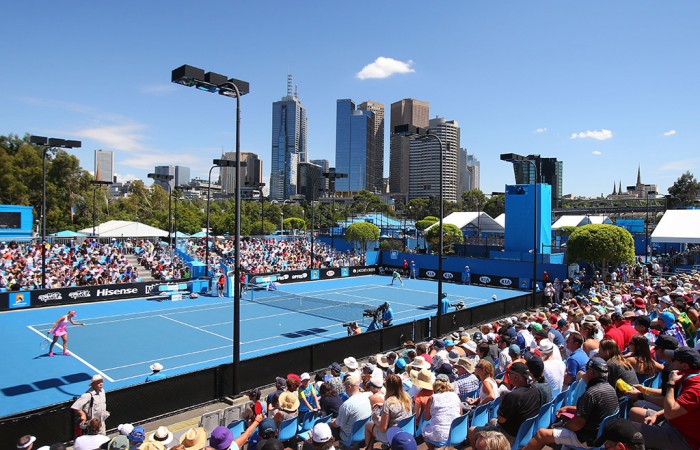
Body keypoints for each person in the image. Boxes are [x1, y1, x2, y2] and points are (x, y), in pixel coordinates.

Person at [523, 357, 619, 450]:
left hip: (586, 440)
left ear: (591, 373)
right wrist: (569, 408)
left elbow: (577, 424)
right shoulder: (611, 390)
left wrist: (564, 425)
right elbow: (595, 411)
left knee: (541, 434)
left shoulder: (590, 394)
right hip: (600, 437)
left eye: (586, 369)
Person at [630, 346, 700, 450]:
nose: (671, 362)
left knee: (626, 431)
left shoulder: (695, 388)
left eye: (674, 360)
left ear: (684, 366)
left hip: (685, 438)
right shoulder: (688, 378)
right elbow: (677, 407)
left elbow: (670, 413)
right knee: (634, 412)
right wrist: (656, 415)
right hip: (675, 424)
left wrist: (671, 383)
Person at [469, 362, 542, 445]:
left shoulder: (513, 396)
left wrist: (504, 400)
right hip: (526, 433)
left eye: (509, 374)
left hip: (509, 436)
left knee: (472, 430)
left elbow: (501, 420)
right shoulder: (535, 390)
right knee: (492, 420)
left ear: (516, 377)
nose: (507, 376)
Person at [365, 374, 412, 448]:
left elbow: (383, 428)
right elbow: (398, 406)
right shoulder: (407, 397)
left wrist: (375, 420)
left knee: (368, 425)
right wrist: (382, 404)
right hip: (407, 430)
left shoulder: (389, 403)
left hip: (393, 435)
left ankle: (369, 448)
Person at [421, 374, 463, 449]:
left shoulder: (432, 398)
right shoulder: (455, 395)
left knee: (424, 429)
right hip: (457, 432)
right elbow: (461, 413)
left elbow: (426, 418)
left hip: (441, 436)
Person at [330, 374, 371, 442]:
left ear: (349, 387)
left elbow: (337, 425)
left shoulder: (346, 405)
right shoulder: (367, 396)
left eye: (345, 388)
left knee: (330, 426)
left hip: (349, 437)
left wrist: (333, 422)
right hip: (365, 432)